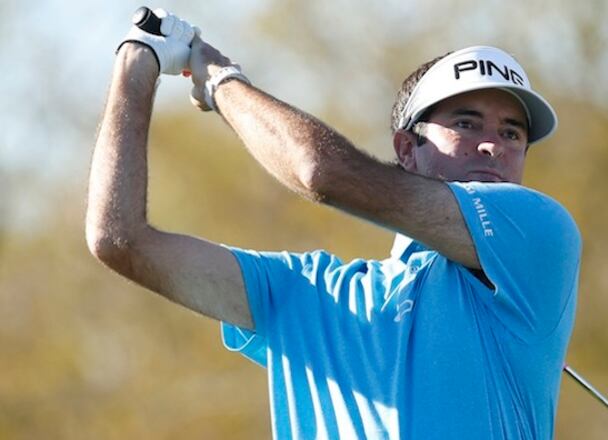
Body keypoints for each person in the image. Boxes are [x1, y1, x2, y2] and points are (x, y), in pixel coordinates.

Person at [86, 8, 582, 440]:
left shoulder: (537, 230)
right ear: (407, 149)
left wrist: (220, 80)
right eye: (466, 123)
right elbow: (118, 238)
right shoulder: (310, 293)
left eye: (512, 132)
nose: (494, 145)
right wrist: (137, 62)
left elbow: (321, 172)